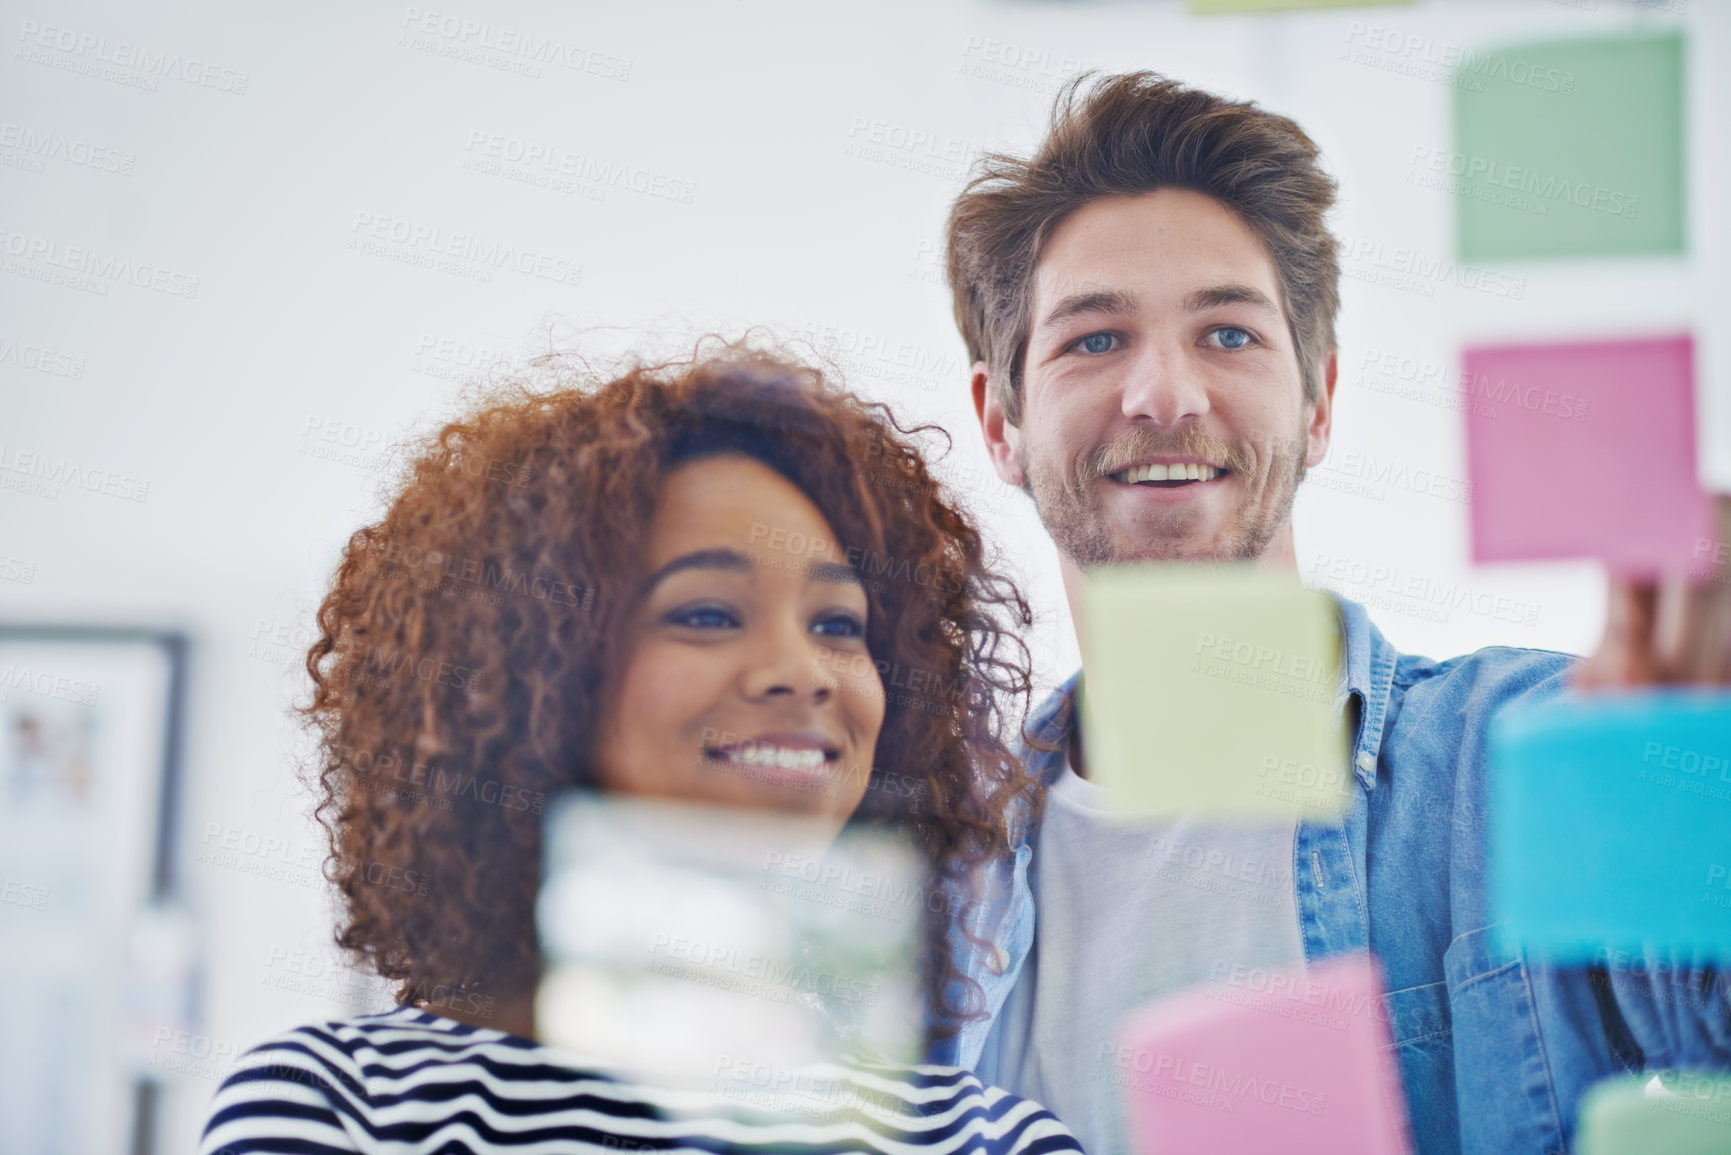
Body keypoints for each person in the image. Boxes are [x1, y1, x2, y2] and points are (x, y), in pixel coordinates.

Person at [932, 71, 1731, 1155]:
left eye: (1228, 335)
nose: (1164, 394)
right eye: (1093, 339)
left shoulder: (1534, 756)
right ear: (1000, 422)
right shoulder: (939, 880)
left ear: (1318, 404)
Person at [198, 343, 1085, 1155]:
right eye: (705, 613)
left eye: (837, 623)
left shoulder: (986, 1137)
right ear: (528, 679)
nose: (802, 670)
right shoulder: (339, 1103)